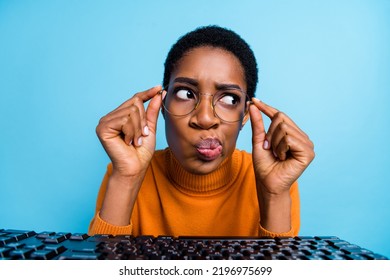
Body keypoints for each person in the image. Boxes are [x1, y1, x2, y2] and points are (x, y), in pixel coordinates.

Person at [88, 25, 315, 237]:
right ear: (163, 106)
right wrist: (126, 179)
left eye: (229, 98)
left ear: (245, 114)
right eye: (186, 94)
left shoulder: (275, 179)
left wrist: (274, 195)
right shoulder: (126, 172)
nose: (205, 118)